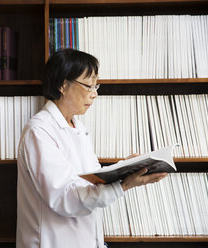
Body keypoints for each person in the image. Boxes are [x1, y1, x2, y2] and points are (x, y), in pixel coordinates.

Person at [16, 49, 168, 248]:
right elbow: (63, 197)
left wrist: (124, 168)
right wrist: (122, 185)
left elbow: (92, 180)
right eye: (89, 85)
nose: (95, 94)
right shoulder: (39, 131)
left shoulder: (78, 128)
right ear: (63, 85)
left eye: (96, 85)